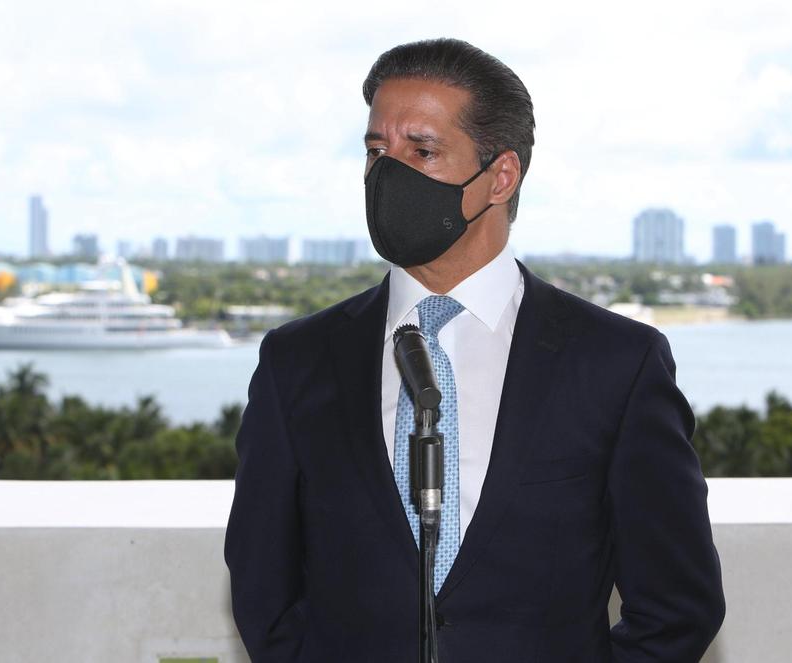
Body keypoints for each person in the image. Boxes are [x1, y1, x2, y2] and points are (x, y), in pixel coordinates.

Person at [225, 38, 725, 662]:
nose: (387, 173)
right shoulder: (295, 361)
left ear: (501, 176)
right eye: (376, 149)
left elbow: (679, 606)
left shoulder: (617, 364)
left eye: (422, 151)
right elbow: (262, 586)